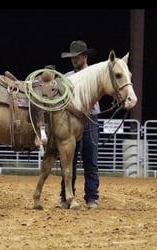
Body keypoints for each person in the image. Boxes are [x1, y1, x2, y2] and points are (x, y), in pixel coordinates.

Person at [58, 40, 100, 209]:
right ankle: (66, 196)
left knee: (91, 159)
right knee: (69, 160)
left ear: (84, 56)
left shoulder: (94, 74)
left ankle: (92, 197)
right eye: (72, 57)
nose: (74, 60)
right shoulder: (67, 77)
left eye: (77, 57)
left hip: (90, 119)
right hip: (71, 121)